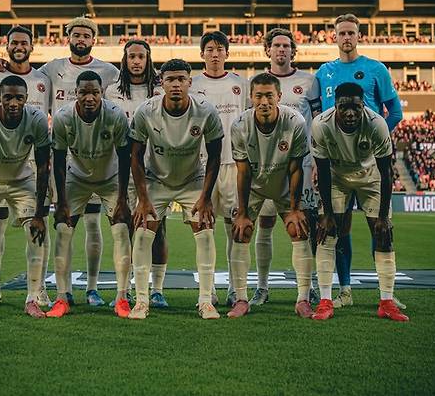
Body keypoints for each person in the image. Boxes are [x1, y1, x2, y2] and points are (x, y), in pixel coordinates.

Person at [0, 17, 119, 306]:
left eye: (86, 35)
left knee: (93, 223)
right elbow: (25, 77)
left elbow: (137, 81)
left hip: (96, 156)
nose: (81, 39)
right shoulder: (51, 69)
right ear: (68, 38)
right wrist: (3, 66)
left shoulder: (109, 71)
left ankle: (91, 288)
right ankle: (65, 290)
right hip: (62, 156)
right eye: (76, 34)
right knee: (64, 223)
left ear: (93, 40)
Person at [315, 14, 404, 310]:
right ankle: (344, 290)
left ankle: (386, 294)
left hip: (369, 160)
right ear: (334, 37)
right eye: (341, 33)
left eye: (351, 33)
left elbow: (395, 112)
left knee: (380, 226)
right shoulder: (324, 72)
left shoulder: (376, 69)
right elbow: (317, 111)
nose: (346, 37)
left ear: (359, 36)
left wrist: (371, 141)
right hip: (336, 162)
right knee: (339, 230)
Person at [129, 59, 223, 320]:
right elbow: (135, 156)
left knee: (205, 232)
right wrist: (143, 199)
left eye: (181, 79)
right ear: (162, 83)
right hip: (156, 179)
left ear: (190, 82)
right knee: (143, 233)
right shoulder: (146, 111)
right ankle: (141, 301)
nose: (176, 84)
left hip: (192, 179)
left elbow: (215, 156)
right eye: (170, 79)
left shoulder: (206, 111)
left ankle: (205, 300)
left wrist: (206, 197)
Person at [310, 82, 408, 322]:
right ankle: (325, 301)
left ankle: (386, 302)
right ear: (335, 106)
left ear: (363, 105)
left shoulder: (377, 123)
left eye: (356, 107)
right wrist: (327, 214)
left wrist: (383, 217)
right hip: (337, 178)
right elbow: (322, 171)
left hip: (370, 178)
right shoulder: (321, 125)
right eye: (344, 107)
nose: (350, 112)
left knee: (384, 234)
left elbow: (386, 172)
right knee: (327, 234)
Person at [0, 25, 52, 309]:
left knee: (39, 228)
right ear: (6, 46)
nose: (19, 47)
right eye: (14, 43)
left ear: (32, 46)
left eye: (24, 43)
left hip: (33, 167)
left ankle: (39, 288)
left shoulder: (43, 78)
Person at [46, 71, 133, 318]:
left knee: (121, 230)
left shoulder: (115, 115)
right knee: (63, 230)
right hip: (77, 178)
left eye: (95, 92)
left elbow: (125, 157)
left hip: (110, 177)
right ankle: (62, 297)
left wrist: (123, 198)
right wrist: (61, 201)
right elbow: (59, 159)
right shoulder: (63, 117)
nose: (89, 97)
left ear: (102, 93)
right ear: (76, 93)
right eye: (84, 92)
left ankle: (122, 297)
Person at [227, 73, 313, 318]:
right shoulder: (240, 125)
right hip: (254, 184)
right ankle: (241, 299)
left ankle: (303, 299)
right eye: (258, 96)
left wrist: (295, 209)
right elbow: (243, 172)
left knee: (298, 229)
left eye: (269, 96)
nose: (264, 101)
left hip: (283, 182)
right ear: (251, 98)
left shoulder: (295, 122)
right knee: (242, 230)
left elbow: (296, 168)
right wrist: (243, 213)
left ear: (279, 96)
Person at [250, 28, 321, 307]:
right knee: (265, 224)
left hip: (301, 164)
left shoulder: (309, 81)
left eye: (286, 46)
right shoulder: (257, 82)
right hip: (268, 166)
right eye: (276, 45)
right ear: (267, 50)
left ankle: (309, 286)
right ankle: (261, 287)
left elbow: (317, 122)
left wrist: (317, 160)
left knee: (302, 224)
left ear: (293, 50)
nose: (281, 49)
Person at [104, 40, 170, 308]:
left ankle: (157, 289)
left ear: (148, 59)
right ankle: (126, 289)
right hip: (120, 170)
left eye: (141, 56)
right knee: (125, 230)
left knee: (157, 230)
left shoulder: (159, 90)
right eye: (132, 56)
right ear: (125, 59)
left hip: (154, 170)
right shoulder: (112, 91)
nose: (136, 61)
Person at [191, 31, 250, 307]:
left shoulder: (241, 84)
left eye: (219, 49)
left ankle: (235, 289)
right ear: (202, 54)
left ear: (227, 53)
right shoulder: (192, 84)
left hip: (233, 164)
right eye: (210, 49)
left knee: (233, 229)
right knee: (204, 229)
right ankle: (209, 288)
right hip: (202, 166)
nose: (215, 54)